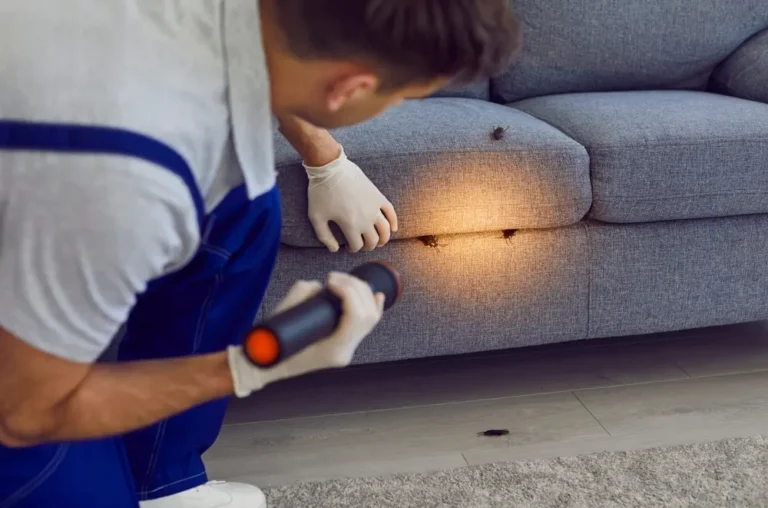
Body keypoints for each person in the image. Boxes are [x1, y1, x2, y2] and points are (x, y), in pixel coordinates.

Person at [0, 0, 521, 507]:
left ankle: (160, 479)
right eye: (399, 96)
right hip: (23, 386)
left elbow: (276, 64)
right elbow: (23, 413)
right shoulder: (129, 180)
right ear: (351, 87)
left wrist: (327, 161)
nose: (394, 106)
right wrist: (245, 367)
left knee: (246, 206)